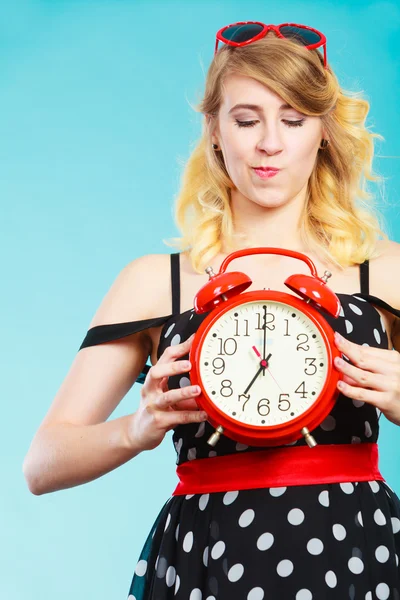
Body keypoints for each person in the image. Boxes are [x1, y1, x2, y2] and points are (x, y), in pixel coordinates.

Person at [23, 21, 400, 600]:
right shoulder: (158, 282)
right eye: (246, 119)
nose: (269, 142)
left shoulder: (384, 269)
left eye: (294, 120)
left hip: (355, 548)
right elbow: (42, 464)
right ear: (215, 131)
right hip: (211, 553)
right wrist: (139, 428)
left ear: (322, 132)